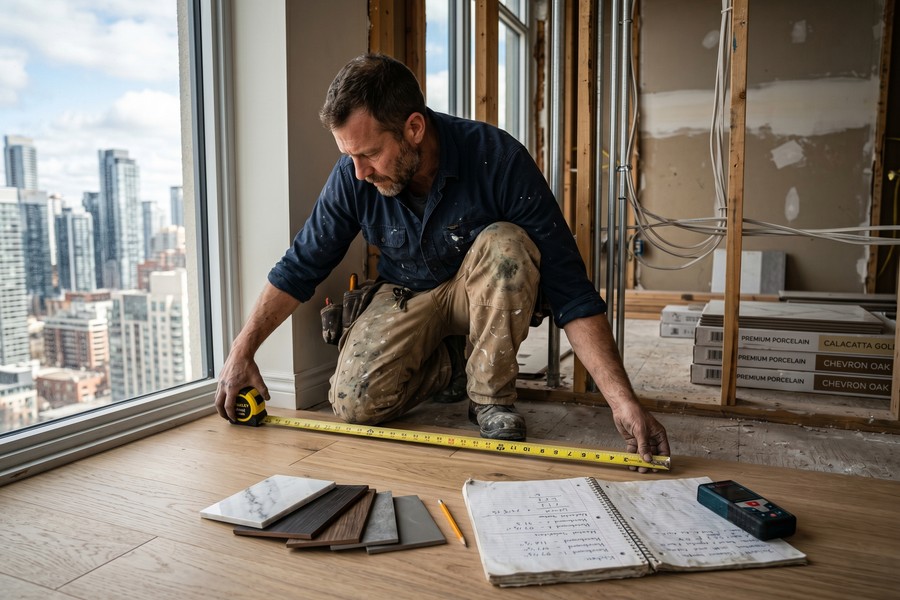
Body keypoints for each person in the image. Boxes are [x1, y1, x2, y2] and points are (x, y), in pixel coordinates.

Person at [215, 53, 669, 470]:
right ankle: (455, 363)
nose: (359, 172)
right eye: (349, 156)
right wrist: (242, 352)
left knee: (507, 244)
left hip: (481, 295)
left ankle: (490, 398)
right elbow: (301, 265)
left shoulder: (498, 158)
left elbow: (571, 290)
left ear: (414, 128)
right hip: (406, 293)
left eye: (370, 153)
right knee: (354, 404)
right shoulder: (354, 177)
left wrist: (621, 400)